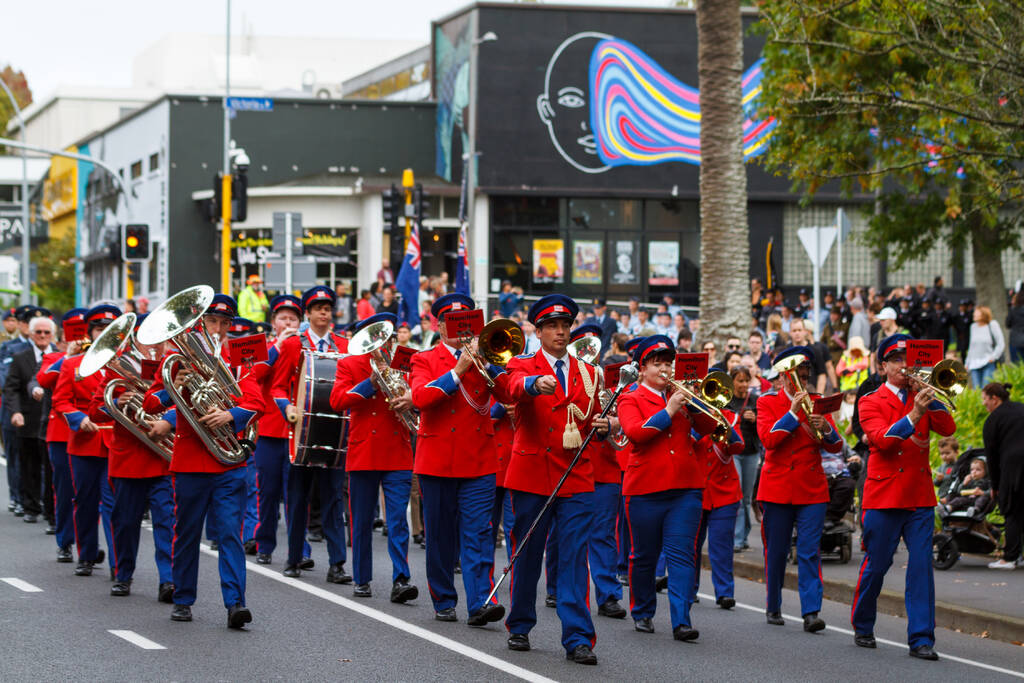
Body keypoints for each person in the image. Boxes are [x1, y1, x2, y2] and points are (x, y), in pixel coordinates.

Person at [492, 294, 608, 665]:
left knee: (574, 558)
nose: (561, 331)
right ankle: (521, 624)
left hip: (576, 476)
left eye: (566, 325)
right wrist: (530, 386)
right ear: (538, 331)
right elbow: (506, 387)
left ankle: (577, 637)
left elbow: (592, 420)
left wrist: (604, 427)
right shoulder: (522, 364)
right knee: (526, 552)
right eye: (553, 326)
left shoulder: (590, 372)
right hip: (531, 475)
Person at [145, 293, 264, 628]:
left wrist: (230, 414)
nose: (219, 328)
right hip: (191, 461)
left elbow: (257, 402)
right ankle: (183, 599)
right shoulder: (178, 359)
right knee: (186, 533)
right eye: (213, 321)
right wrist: (173, 387)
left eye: (225, 323)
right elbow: (152, 403)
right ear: (200, 322)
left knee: (230, 534)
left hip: (228, 462)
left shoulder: (239, 356)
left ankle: (235, 603)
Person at [617, 335, 727, 642]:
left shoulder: (682, 396)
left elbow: (709, 429)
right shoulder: (631, 397)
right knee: (644, 556)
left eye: (668, 363)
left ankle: (681, 620)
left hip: (686, 488)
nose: (665, 369)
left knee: (682, 555)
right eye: (657, 364)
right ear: (642, 369)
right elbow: (636, 434)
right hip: (644, 489)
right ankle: (642, 611)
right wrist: (670, 409)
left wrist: (695, 404)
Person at [853, 333, 955, 659]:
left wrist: (930, 397)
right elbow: (882, 441)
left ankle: (922, 639)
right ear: (883, 366)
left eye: (907, 359)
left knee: (922, 566)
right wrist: (913, 415)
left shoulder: (921, 395)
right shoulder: (869, 400)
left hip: (919, 495)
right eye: (896, 360)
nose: (903, 366)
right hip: (884, 496)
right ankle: (863, 622)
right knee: (877, 564)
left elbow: (949, 428)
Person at [408, 293, 507, 625]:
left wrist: (497, 365)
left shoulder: (487, 356)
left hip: (478, 460)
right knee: (440, 535)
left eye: (467, 322)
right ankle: (444, 598)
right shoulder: (424, 359)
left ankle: (480, 600)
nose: (461, 329)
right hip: (437, 461)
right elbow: (421, 398)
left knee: (480, 532)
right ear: (439, 325)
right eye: (453, 321)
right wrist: (458, 370)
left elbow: (509, 393)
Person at [329, 312, 419, 603]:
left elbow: (420, 392)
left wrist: (409, 393)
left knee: (397, 521)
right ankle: (362, 578)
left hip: (398, 451)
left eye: (388, 337)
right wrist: (369, 384)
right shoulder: (349, 363)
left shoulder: (406, 360)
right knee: (362, 520)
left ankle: (401, 579)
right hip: (364, 450)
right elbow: (337, 401)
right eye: (378, 337)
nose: (383, 343)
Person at [757, 345, 843, 632]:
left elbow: (836, 445)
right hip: (778, 488)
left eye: (804, 377)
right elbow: (769, 440)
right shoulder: (766, 403)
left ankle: (811, 612)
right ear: (782, 378)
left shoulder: (818, 402)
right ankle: (773, 605)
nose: (800, 383)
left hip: (811, 488)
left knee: (809, 551)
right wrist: (794, 414)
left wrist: (826, 428)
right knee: (777, 551)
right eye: (795, 377)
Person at [90, 314, 175, 601]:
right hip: (128, 459)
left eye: (161, 340)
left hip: (162, 457)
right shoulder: (119, 367)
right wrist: (114, 403)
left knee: (166, 520)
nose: (155, 347)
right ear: (136, 339)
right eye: (149, 340)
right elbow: (94, 410)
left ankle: (169, 580)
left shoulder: (171, 366)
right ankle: (123, 575)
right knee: (125, 522)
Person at [271, 286, 352, 583]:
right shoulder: (294, 344)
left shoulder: (344, 345)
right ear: (308, 312)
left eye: (327, 308)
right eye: (318, 307)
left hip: (335, 433)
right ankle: (293, 559)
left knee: (333, 499)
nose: (323, 312)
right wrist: (287, 407)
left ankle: (337, 564)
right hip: (301, 432)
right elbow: (278, 386)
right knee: (297, 499)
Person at [252, 295, 307, 565]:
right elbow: (255, 374)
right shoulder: (265, 346)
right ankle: (265, 545)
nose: (288, 323)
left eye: (293, 319)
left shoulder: (304, 345)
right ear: (273, 322)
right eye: (283, 318)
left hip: (299, 430)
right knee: (268, 492)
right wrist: (279, 345)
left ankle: (301, 550)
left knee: (296, 494)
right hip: (270, 429)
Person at [36, 309, 87, 562]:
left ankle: (87, 546)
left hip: (91, 432)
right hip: (61, 433)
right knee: (65, 490)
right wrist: (67, 357)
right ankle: (65, 541)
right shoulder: (54, 357)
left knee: (91, 494)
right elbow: (44, 379)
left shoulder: (98, 357)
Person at [4, 315, 57, 524]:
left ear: (52, 335)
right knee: (29, 464)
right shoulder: (20, 357)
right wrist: (15, 412)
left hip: (52, 420)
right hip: (27, 418)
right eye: (38, 332)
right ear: (31, 334)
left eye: (46, 332)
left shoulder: (60, 356)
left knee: (51, 466)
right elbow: (11, 388)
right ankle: (31, 506)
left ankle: (50, 507)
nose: (42, 336)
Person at [691, 415, 744, 610]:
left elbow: (738, 447)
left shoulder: (730, 417)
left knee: (722, 545)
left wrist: (725, 425)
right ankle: (689, 589)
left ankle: (724, 593)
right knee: (692, 545)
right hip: (694, 490)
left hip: (724, 492)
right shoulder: (687, 415)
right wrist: (704, 425)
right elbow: (686, 442)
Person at [981, 382, 1024, 570]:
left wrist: (995, 486)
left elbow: (992, 457)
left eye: (984, 399)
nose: (983, 404)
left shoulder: (993, 420)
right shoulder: (1021, 408)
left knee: (1012, 510)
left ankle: (1010, 557)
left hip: (1013, 468)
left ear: (994, 398)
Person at [727, 365, 760, 552]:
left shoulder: (755, 400)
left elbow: (763, 429)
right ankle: (737, 539)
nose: (744, 385)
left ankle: (744, 534)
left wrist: (755, 420)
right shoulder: (727, 399)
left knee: (747, 498)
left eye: (747, 381)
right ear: (732, 382)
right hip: (734, 453)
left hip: (751, 452)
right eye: (740, 381)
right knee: (738, 494)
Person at [966, 305, 1004, 388]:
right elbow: (971, 347)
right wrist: (967, 363)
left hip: (987, 362)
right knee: (977, 390)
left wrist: (993, 357)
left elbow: (1000, 343)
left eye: (976, 313)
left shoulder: (992, 325)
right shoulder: (972, 327)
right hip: (974, 364)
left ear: (984, 314)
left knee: (987, 388)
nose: (974, 314)